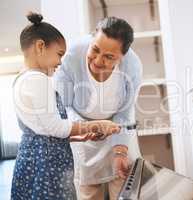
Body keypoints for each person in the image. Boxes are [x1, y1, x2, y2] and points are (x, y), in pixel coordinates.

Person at [11, 12, 121, 200]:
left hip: (34, 159)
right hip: (46, 166)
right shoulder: (39, 80)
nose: (60, 62)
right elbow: (55, 127)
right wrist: (98, 124)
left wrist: (77, 136)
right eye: (59, 54)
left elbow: (42, 130)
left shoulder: (22, 78)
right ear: (40, 46)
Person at [54, 16, 142, 200]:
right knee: (89, 192)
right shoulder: (71, 57)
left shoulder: (133, 65)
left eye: (109, 57)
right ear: (92, 39)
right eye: (95, 49)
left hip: (119, 129)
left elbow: (125, 111)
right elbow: (65, 105)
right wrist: (87, 128)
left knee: (125, 187)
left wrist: (120, 150)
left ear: (122, 56)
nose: (98, 60)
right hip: (84, 134)